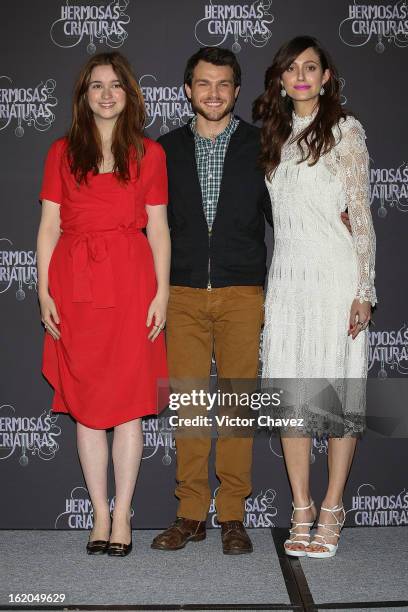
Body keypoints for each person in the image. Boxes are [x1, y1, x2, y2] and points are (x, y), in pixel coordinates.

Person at [37, 52, 170, 557]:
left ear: (129, 94)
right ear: (84, 96)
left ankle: (123, 517)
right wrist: (45, 292)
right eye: (96, 86)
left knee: (130, 409)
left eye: (116, 85)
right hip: (75, 287)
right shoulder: (60, 153)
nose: (107, 93)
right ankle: (97, 513)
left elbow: (157, 229)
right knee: (88, 411)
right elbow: (49, 228)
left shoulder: (149, 154)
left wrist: (160, 292)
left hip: (132, 284)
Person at [253, 36, 376, 558]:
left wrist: (365, 288)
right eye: (291, 68)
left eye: (311, 67)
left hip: (335, 272)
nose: (301, 76)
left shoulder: (347, 131)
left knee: (340, 395)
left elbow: (361, 214)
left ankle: (332, 506)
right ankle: (300, 507)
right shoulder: (271, 135)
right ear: (280, 79)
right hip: (287, 277)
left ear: (327, 76)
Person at [150, 47, 273, 555]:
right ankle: (191, 512)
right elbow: (152, 228)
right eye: (204, 83)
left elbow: (286, 219)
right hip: (180, 295)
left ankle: (234, 516)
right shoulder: (165, 149)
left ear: (237, 91)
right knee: (193, 409)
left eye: (224, 84)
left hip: (243, 291)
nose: (214, 93)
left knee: (239, 408)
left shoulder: (262, 144)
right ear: (187, 89)